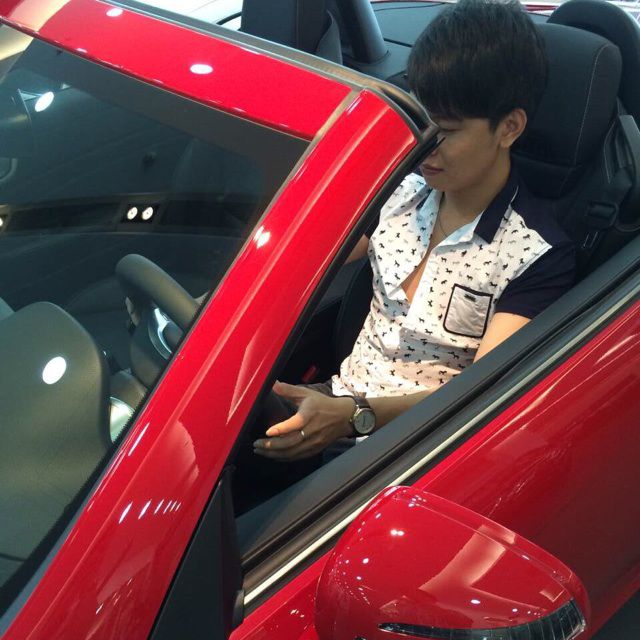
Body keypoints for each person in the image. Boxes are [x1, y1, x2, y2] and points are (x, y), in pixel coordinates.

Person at [253, 0, 575, 463]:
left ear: (509, 128)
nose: (423, 146)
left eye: (444, 131)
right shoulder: (400, 191)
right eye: (420, 121)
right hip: (337, 401)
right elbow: (308, 253)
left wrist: (354, 416)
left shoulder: (536, 254)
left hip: (415, 449)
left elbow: (481, 395)